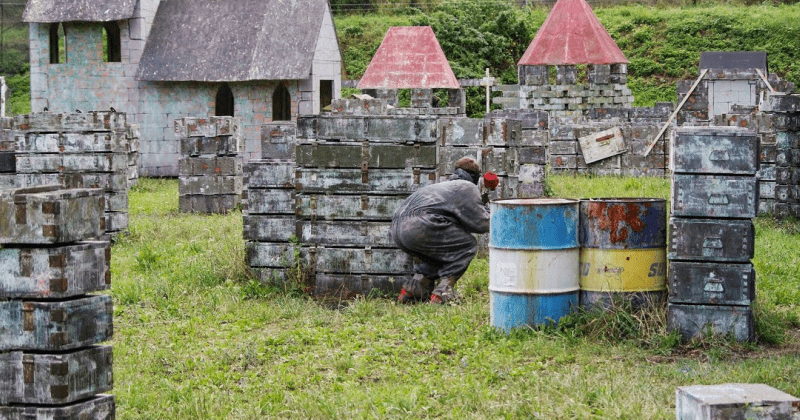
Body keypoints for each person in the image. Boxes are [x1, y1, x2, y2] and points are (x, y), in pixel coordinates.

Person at [390, 157, 498, 304]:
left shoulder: (445, 185)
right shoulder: (466, 186)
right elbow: (482, 224)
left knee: (439, 254)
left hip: (398, 229)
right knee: (467, 246)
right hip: (419, 225)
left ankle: (414, 289)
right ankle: (443, 293)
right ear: (475, 176)